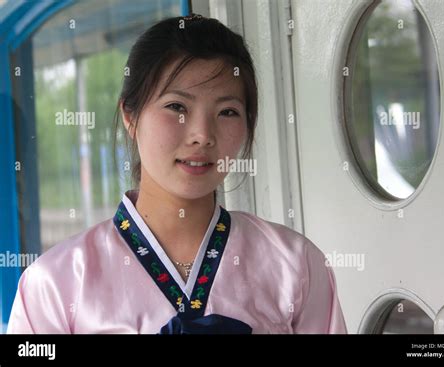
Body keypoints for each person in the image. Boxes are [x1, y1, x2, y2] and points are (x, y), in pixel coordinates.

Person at [7, 14, 346, 334]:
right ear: (131, 115)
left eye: (227, 111)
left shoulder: (296, 265)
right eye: (177, 107)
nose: (202, 134)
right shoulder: (55, 284)